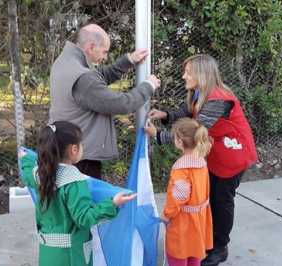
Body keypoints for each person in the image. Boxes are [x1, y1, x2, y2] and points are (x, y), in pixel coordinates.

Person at [145, 54, 257, 266]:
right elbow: (185, 114)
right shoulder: (199, 93)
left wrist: (158, 135)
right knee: (210, 199)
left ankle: (220, 248)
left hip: (232, 156)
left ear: (201, 74)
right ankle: (208, 243)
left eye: (188, 72)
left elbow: (195, 131)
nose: (184, 75)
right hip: (216, 155)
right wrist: (165, 115)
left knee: (221, 201)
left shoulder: (218, 99)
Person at [49, 23, 160, 179]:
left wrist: (129, 60)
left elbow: (98, 76)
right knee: (87, 201)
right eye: (104, 52)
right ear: (91, 46)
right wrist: (148, 86)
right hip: (82, 156)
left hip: (66, 149)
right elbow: (122, 104)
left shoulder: (66, 62)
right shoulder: (84, 78)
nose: (105, 57)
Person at [19, 121, 136, 266]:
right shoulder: (74, 181)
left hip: (48, 255)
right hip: (71, 257)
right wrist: (112, 204)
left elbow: (27, 168)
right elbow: (84, 218)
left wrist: (25, 157)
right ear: (74, 149)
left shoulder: (38, 174)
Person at [159, 118, 213, 266]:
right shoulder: (201, 162)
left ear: (179, 142)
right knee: (195, 253)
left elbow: (180, 195)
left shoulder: (181, 169)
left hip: (183, 223)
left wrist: (167, 214)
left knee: (178, 255)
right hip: (199, 220)